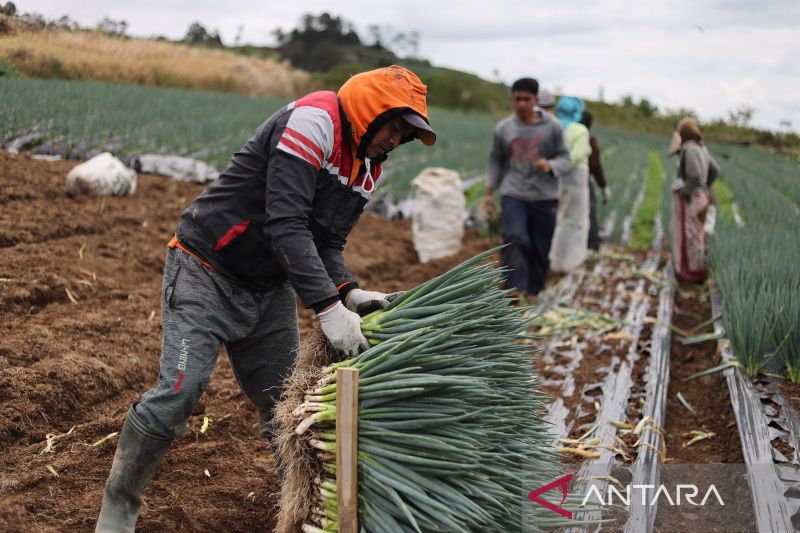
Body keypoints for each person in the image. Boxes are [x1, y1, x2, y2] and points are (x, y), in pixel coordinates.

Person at [95, 65, 437, 532]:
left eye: (406, 135)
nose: (397, 140)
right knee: (179, 393)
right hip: (205, 268)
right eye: (395, 126)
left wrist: (350, 293)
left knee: (284, 405)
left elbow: (327, 243)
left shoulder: (367, 168)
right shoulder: (315, 121)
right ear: (370, 112)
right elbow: (285, 222)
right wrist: (328, 309)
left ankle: (301, 513)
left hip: (267, 286)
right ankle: (119, 506)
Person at [485, 78, 570, 302]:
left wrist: (549, 165)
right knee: (515, 236)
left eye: (527, 99)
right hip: (514, 192)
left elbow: (565, 158)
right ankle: (513, 288)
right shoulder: (504, 128)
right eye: (517, 99)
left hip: (544, 195)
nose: (521, 104)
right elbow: (496, 160)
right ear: (512, 99)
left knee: (540, 244)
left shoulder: (552, 126)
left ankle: (534, 289)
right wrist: (489, 189)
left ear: (535, 100)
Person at [670, 117, 719, 282]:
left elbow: (695, 175)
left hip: (694, 199)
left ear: (684, 133)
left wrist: (686, 192)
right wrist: (705, 187)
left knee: (691, 236)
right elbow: (715, 170)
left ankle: (691, 274)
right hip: (703, 197)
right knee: (698, 234)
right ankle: (699, 271)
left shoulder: (689, 149)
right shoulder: (702, 148)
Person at [548, 96, 592, 273]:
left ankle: (553, 259)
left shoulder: (554, 127)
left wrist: (554, 169)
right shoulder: (580, 130)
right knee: (575, 221)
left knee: (558, 219)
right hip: (576, 180)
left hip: (556, 179)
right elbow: (576, 156)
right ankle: (569, 263)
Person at [579, 109, 611, 251]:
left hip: (562, 180)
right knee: (589, 211)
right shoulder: (590, 140)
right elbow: (595, 166)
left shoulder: (565, 134)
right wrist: (603, 186)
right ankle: (591, 246)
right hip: (582, 180)